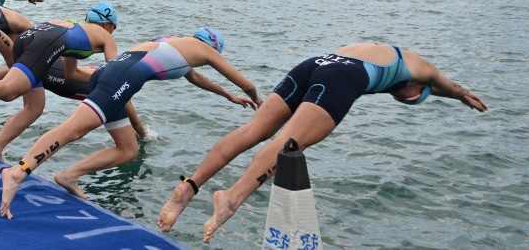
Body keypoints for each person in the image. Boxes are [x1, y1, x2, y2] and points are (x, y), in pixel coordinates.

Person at [156, 42, 488, 243]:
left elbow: (437, 89)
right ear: (419, 87)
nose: (402, 99)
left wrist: (453, 97)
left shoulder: (394, 59)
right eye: (411, 99)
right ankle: (230, 198)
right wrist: (460, 95)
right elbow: (447, 84)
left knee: (252, 130)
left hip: (314, 65)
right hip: (343, 77)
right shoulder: (425, 70)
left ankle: (190, 186)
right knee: (289, 143)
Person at [0, 28, 261, 218]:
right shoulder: (203, 49)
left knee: (127, 149)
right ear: (212, 47)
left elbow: (196, 78)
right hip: (120, 80)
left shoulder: (174, 43)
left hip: (108, 73)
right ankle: (19, 172)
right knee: (73, 130)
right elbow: (246, 82)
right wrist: (260, 102)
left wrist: (228, 96)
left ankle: (68, 176)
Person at [0, 1, 119, 131]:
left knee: (34, 107)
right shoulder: (105, 36)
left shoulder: (77, 27)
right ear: (108, 24)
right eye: (114, 28)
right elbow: (116, 75)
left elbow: (71, 72)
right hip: (44, 44)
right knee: (9, 89)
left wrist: (93, 76)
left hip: (31, 36)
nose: (113, 32)